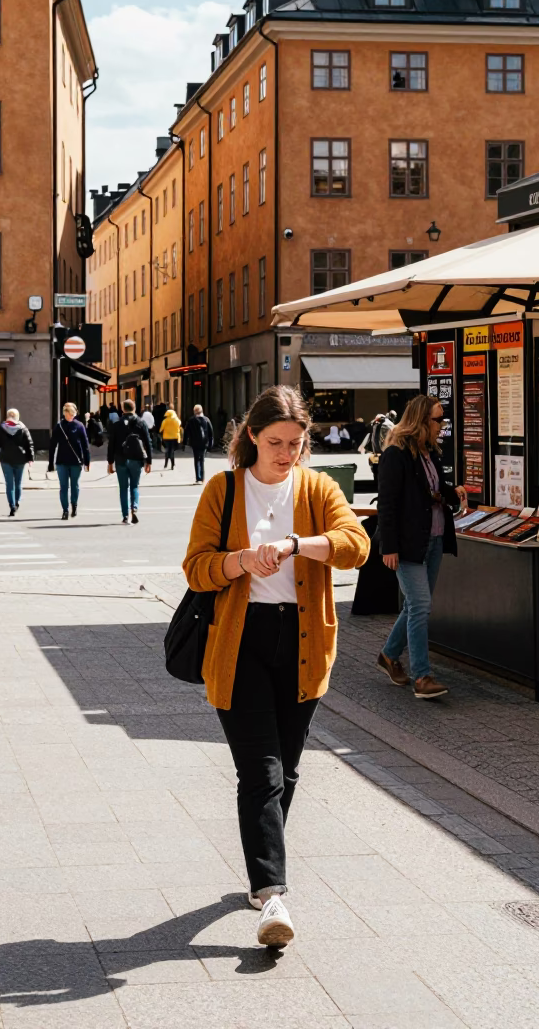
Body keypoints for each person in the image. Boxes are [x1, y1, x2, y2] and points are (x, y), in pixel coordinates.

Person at [183, 386, 369, 947]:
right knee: (260, 773)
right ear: (250, 439)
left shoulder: (315, 487)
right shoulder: (224, 488)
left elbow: (355, 544)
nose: (286, 453)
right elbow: (196, 569)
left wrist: (296, 544)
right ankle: (271, 894)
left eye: (295, 442)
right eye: (275, 443)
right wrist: (241, 560)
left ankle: (266, 866)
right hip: (239, 642)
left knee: (286, 770)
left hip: (304, 640)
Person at [377, 394, 467, 699]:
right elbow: (387, 504)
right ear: (420, 420)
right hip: (408, 544)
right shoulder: (396, 453)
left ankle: (389, 656)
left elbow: (432, 490)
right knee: (421, 606)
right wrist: (388, 546)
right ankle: (423, 676)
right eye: (438, 419)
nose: (442, 425)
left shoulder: (430, 452)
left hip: (435, 538)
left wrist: (452, 492)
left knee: (416, 605)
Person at [107, 399, 152, 524]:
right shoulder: (140, 423)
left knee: (123, 488)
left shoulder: (116, 424)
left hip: (120, 459)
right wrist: (149, 461)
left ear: (123, 409)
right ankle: (134, 508)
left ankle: (125, 515)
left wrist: (110, 462)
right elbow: (148, 443)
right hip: (136, 459)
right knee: (134, 486)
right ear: (134, 408)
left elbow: (111, 445)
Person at [48, 403, 90, 520]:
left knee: (74, 485)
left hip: (76, 461)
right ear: (64, 414)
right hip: (62, 461)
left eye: (72, 415)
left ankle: (74, 506)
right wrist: (51, 462)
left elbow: (85, 445)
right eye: (68, 414)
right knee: (64, 486)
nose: (70, 417)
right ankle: (65, 510)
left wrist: (87, 461)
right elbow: (52, 445)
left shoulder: (79, 426)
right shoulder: (59, 426)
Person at [0, 408, 35, 516]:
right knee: (18, 483)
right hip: (20, 459)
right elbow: (29, 443)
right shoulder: (22, 428)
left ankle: (11, 506)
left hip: (6, 458)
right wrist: (31, 458)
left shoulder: (2, 428)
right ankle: (17, 502)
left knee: (9, 484)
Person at [184, 404, 214, 484]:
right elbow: (211, 433)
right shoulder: (206, 420)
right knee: (202, 460)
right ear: (202, 411)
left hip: (194, 443)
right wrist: (210, 444)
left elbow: (186, 432)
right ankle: (203, 478)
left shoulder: (191, 420)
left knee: (196, 459)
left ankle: (198, 478)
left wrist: (185, 442)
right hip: (204, 443)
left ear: (194, 411)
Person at [160, 404, 182, 470]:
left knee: (167, 450)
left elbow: (161, 429)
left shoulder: (165, 421)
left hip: (166, 438)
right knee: (172, 451)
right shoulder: (177, 420)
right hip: (175, 437)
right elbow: (180, 425)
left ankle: (166, 464)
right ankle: (173, 465)